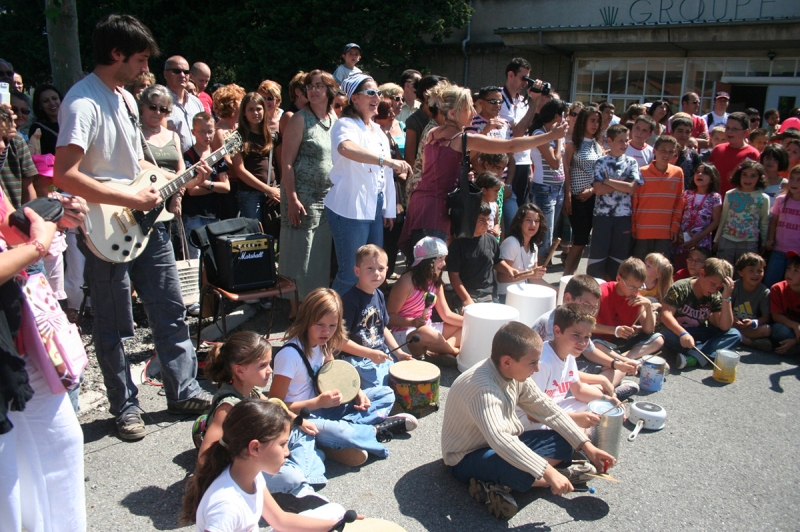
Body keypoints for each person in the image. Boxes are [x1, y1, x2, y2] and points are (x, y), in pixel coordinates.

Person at [53, 14, 214, 440]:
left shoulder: (124, 98)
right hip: (106, 233)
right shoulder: (81, 103)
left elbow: (133, 163)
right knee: (113, 324)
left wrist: (173, 179)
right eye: (141, 59)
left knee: (170, 309)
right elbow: (64, 175)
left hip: (148, 224)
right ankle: (125, 407)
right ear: (116, 54)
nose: (146, 68)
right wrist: (130, 199)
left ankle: (183, 390)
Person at [0, 106, 87, 532]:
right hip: (7, 343)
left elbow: (6, 234)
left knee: (59, 445)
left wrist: (52, 216)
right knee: (8, 478)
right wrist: (37, 246)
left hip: (16, 334)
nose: (4, 145)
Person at [441, 321, 617, 520]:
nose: (537, 368)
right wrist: (550, 473)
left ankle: (496, 485)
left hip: (498, 445)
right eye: (533, 363)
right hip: (465, 457)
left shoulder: (513, 373)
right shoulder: (483, 389)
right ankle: (561, 476)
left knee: (564, 440)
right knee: (522, 467)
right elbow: (502, 441)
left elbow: (548, 409)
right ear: (507, 361)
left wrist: (587, 447)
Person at [399, 83, 564, 257]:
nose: (474, 111)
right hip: (436, 207)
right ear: (454, 113)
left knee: (421, 261)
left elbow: (429, 168)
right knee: (429, 264)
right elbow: (511, 144)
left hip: (420, 201)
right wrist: (551, 136)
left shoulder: (432, 132)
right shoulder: (462, 138)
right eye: (468, 107)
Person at [268, 288, 417, 466]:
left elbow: (335, 374)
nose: (326, 331)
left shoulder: (323, 344)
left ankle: (341, 435)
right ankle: (373, 431)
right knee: (342, 433)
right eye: (320, 324)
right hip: (301, 417)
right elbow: (274, 405)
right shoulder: (289, 356)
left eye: (332, 326)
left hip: (326, 408)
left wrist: (357, 392)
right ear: (306, 320)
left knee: (385, 394)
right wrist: (317, 403)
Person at [197, 331, 330, 503]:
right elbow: (205, 452)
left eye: (269, 364)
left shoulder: (251, 390)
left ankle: (302, 482)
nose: (270, 371)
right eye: (263, 366)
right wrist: (206, 486)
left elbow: (275, 406)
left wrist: (298, 420)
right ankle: (303, 482)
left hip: (263, 451)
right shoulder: (228, 406)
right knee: (291, 476)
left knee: (301, 432)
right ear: (239, 370)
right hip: (244, 466)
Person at [180, 400, 346, 530]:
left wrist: (338, 526)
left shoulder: (252, 476)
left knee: (336, 512)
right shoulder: (226, 506)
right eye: (282, 444)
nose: (287, 452)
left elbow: (281, 520)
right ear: (255, 448)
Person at [325, 74, 410, 295]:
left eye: (378, 93)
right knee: (349, 273)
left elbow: (384, 176)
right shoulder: (345, 124)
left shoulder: (377, 130)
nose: (377, 97)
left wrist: (388, 209)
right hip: (349, 207)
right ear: (354, 99)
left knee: (373, 271)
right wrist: (386, 160)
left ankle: (366, 319)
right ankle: (338, 326)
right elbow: (346, 148)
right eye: (370, 93)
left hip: (373, 207)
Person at [280, 70, 337, 317]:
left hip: (327, 198)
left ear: (329, 91)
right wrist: (292, 198)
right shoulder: (299, 118)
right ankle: (296, 310)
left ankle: (313, 308)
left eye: (319, 86)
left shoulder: (335, 118)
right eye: (310, 86)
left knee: (319, 256)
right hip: (301, 198)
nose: (313, 90)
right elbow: (287, 162)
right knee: (300, 254)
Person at [521, 303, 625, 432]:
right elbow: (532, 413)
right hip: (527, 421)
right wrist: (574, 419)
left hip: (552, 408)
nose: (582, 343)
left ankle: (582, 439)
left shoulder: (569, 355)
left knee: (592, 407)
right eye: (576, 335)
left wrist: (607, 400)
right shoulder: (543, 362)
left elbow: (579, 390)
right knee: (575, 427)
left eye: (587, 337)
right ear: (557, 331)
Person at [340, 245, 408, 388]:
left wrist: (399, 352)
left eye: (381, 269)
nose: (376, 273)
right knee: (383, 388)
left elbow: (382, 328)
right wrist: (370, 354)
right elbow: (340, 341)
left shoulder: (379, 295)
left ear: (387, 270)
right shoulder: (350, 301)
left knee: (405, 380)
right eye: (370, 268)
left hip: (380, 353)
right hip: (358, 358)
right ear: (357, 271)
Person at [387, 236, 463, 363]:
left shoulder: (436, 282)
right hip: (405, 334)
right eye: (440, 259)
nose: (444, 264)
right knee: (426, 333)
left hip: (428, 328)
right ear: (428, 261)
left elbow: (446, 315)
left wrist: (471, 321)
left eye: (444, 259)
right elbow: (389, 317)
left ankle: (441, 349)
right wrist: (412, 322)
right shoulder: (406, 282)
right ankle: (453, 351)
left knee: (467, 327)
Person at [660, 257, 740, 369]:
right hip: (678, 332)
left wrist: (726, 298)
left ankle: (694, 357)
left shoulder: (715, 295)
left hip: (700, 333)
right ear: (702, 273)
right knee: (665, 335)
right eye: (713, 284)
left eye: (719, 287)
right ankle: (708, 352)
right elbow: (666, 315)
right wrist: (683, 334)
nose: (714, 289)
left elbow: (724, 326)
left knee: (734, 334)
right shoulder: (681, 287)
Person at [588, 124, 642, 280]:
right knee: (598, 256)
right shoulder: (601, 162)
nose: (624, 144)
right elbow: (598, 190)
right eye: (620, 141)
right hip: (602, 216)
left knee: (618, 258)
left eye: (626, 141)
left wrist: (608, 180)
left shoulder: (631, 162)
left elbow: (632, 188)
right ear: (609, 141)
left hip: (623, 217)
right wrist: (621, 184)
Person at [592, 257, 664, 361]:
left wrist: (648, 306)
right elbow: (588, 325)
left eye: (639, 287)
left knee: (658, 340)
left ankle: (622, 360)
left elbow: (649, 330)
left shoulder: (637, 298)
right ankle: (624, 361)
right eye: (632, 287)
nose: (635, 291)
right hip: (600, 341)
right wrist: (615, 331)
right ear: (619, 279)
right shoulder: (601, 291)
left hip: (621, 342)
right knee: (594, 343)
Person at [231, 92, 280, 242]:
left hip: (273, 193)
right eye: (250, 109)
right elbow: (239, 170)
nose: (255, 113)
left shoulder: (272, 136)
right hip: (250, 195)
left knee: (274, 236)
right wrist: (267, 189)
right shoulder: (235, 137)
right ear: (244, 113)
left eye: (259, 109)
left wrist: (278, 188)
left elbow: (281, 164)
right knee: (255, 239)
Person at [182, 111, 230, 263]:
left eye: (210, 131)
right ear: (193, 132)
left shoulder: (217, 156)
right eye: (202, 132)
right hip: (194, 214)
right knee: (195, 258)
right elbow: (191, 190)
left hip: (213, 213)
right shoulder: (188, 156)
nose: (206, 136)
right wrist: (214, 186)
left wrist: (205, 182)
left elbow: (226, 187)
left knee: (213, 256)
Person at [448, 205, 517, 309]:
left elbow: (497, 262)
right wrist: (466, 299)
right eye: (481, 220)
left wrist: (509, 269)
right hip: (467, 295)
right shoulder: (457, 245)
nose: (487, 223)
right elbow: (454, 276)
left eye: (488, 219)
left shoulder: (491, 240)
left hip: (490, 295)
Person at [563, 106, 604, 275]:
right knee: (579, 239)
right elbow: (566, 171)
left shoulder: (598, 145)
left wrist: (592, 190)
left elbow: (600, 174)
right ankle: (566, 275)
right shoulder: (573, 144)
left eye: (597, 121)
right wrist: (568, 196)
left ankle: (572, 275)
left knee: (584, 240)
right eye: (592, 120)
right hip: (576, 198)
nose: (595, 124)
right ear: (583, 122)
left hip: (593, 197)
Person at [632, 135, 684, 259]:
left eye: (671, 152)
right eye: (663, 150)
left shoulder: (678, 173)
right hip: (643, 229)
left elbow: (679, 202)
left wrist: (675, 226)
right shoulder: (641, 172)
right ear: (654, 151)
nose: (666, 154)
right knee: (642, 267)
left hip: (665, 231)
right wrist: (633, 226)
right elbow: (634, 202)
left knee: (661, 269)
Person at [714, 160, 770, 268]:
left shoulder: (763, 198)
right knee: (724, 271)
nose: (748, 179)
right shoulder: (730, 194)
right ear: (739, 175)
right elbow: (723, 218)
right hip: (727, 240)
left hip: (749, 242)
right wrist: (716, 239)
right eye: (744, 175)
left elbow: (764, 222)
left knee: (744, 272)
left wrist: (763, 242)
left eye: (753, 176)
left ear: (759, 178)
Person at [529, 98, 568, 253]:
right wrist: (557, 138)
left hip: (558, 188)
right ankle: (537, 267)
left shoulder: (559, 134)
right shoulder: (540, 133)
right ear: (557, 116)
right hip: (544, 188)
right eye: (564, 115)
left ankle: (541, 265)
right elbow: (554, 163)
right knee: (544, 235)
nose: (566, 119)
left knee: (549, 232)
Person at [499, 58, 537, 207]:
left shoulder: (521, 100)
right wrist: (535, 102)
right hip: (508, 163)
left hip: (523, 162)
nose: (525, 82)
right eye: (523, 77)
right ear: (510, 75)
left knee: (521, 209)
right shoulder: (499, 99)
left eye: (528, 78)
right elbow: (518, 132)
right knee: (508, 211)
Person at [495, 203, 552, 299]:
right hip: (506, 296)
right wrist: (530, 273)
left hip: (524, 293)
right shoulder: (511, 243)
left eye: (537, 221)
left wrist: (556, 290)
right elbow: (501, 278)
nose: (533, 225)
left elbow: (534, 279)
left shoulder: (533, 246)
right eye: (528, 220)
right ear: (520, 222)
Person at [674, 163, 722, 269]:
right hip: (683, 239)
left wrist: (698, 238)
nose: (699, 175)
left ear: (712, 178)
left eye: (704, 173)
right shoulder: (687, 194)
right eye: (697, 172)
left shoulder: (715, 197)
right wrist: (679, 233)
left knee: (697, 268)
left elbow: (716, 221)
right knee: (681, 265)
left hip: (702, 240)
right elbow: (679, 214)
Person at [211, 83, 246, 220]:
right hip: (230, 186)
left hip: (244, 183)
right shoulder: (219, 131)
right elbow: (225, 161)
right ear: (232, 104)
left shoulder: (239, 127)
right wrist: (243, 171)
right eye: (241, 100)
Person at [708, 111, 761, 194]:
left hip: (739, 202)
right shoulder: (717, 149)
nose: (729, 131)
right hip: (715, 200)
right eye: (727, 128)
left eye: (734, 129)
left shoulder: (752, 153)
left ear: (745, 132)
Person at [765, 165, 800, 287]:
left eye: (798, 179)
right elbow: (774, 221)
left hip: (796, 254)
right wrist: (770, 239)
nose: (794, 182)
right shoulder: (781, 200)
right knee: (770, 283)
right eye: (792, 178)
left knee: (792, 286)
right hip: (778, 249)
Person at [731, 253, 772, 352]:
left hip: (749, 328)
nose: (756, 274)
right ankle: (748, 342)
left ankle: (737, 337)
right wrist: (732, 317)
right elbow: (724, 306)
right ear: (740, 272)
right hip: (733, 323)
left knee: (767, 329)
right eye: (751, 271)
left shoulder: (764, 292)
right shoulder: (733, 287)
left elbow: (766, 317)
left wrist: (753, 323)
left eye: (759, 271)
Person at [164, 55, 204, 153]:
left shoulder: (196, 102)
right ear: (165, 74)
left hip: (199, 163)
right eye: (176, 71)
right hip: (174, 165)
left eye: (186, 72)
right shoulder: (159, 104)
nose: (182, 75)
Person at [770, 250, 800, 356]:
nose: (789, 273)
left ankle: (793, 346)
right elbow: (776, 315)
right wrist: (794, 325)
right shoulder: (778, 288)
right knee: (779, 330)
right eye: (789, 268)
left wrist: (796, 340)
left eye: (796, 270)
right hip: (788, 327)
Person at [670, 113, 703, 190]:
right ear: (672, 132)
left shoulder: (693, 155)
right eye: (680, 131)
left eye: (687, 132)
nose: (683, 135)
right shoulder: (664, 152)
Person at [28, 84, 62, 155]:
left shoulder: (72, 122)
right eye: (46, 101)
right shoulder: (37, 128)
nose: (52, 103)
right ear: (40, 106)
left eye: (54, 98)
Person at [476, 171, 504, 239]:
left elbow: (497, 223)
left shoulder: (495, 206)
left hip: (490, 242)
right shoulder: (475, 207)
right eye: (495, 191)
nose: (497, 195)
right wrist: (487, 230)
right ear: (483, 191)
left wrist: (496, 228)